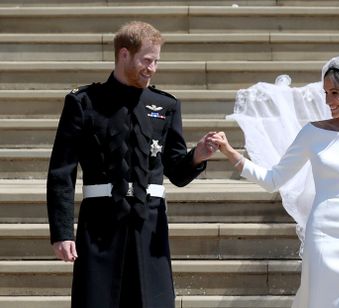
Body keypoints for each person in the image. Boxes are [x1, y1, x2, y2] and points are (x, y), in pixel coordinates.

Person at [211, 56, 339, 307]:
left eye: (335, 93)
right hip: (324, 237)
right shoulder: (313, 133)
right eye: (325, 93)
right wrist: (231, 153)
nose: (328, 101)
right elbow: (273, 179)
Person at [46, 21, 218, 308]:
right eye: (146, 60)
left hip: (150, 226)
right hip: (100, 224)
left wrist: (197, 156)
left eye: (156, 61)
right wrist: (62, 233)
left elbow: (175, 171)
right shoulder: (84, 102)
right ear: (124, 54)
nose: (152, 68)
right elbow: (61, 173)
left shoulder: (165, 105)